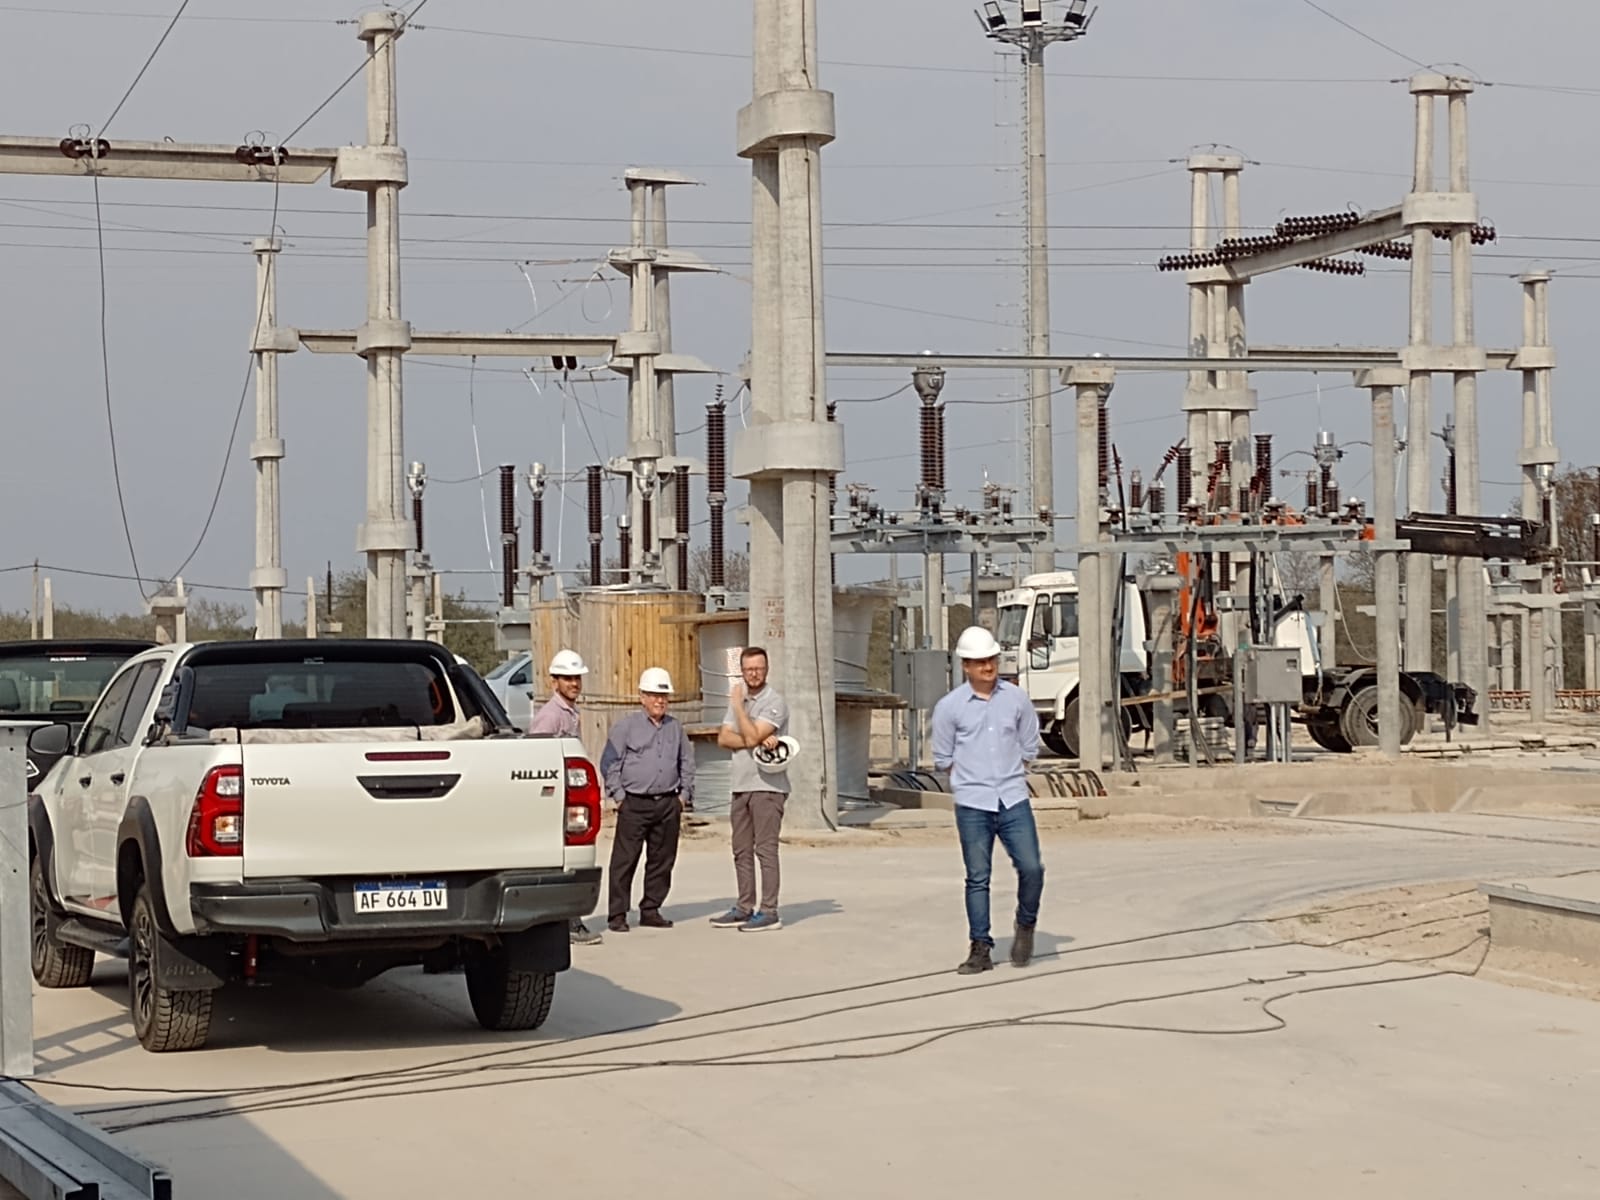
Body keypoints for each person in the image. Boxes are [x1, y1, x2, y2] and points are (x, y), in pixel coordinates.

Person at [931, 625, 1045, 976]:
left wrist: (1013, 772)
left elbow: (1029, 744)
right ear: (966, 665)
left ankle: (1026, 924)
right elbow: (943, 758)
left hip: (1012, 799)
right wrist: (970, 782)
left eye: (991, 659)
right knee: (978, 877)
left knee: (1032, 868)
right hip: (973, 803)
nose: (988, 667)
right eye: (979, 661)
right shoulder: (949, 708)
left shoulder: (1016, 699)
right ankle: (980, 947)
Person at [599, 667, 694, 932]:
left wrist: (683, 796)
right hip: (634, 803)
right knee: (624, 861)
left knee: (662, 860)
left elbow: (687, 761)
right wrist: (619, 797)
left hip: (667, 803)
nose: (659, 701)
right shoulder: (626, 727)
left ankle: (651, 909)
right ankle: (617, 914)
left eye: (663, 696)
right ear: (642, 697)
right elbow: (610, 762)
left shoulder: (675, 728)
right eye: (653, 695)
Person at [711, 646, 789, 933]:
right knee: (741, 849)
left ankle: (769, 911)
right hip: (741, 785)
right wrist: (752, 738)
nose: (754, 674)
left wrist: (740, 711)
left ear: (767, 669)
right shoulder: (740, 699)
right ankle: (744, 907)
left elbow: (754, 733)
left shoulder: (775, 702)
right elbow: (723, 739)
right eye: (748, 669)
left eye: (758, 668)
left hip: (767, 787)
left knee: (765, 850)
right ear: (742, 671)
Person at [529, 649, 603, 945]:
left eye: (576, 678)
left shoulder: (570, 712)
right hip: (554, 799)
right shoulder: (550, 716)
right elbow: (537, 757)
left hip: (569, 799)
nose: (574, 683)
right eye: (567, 678)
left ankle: (568, 920)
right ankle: (566, 923)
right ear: (554, 682)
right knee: (562, 860)